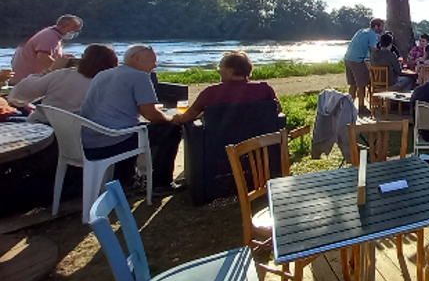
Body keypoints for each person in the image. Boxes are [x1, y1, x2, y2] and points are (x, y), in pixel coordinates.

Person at [80, 45, 181, 192]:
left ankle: (127, 180)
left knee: (132, 128)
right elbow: (151, 114)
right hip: (112, 142)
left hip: (88, 140)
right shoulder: (140, 76)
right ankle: (161, 183)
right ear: (136, 58)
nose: (155, 65)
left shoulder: (102, 74)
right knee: (171, 130)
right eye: (152, 61)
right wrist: (171, 119)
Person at [7, 44, 118, 124]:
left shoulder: (63, 75)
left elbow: (17, 96)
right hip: (83, 137)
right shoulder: (113, 86)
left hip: (45, 131)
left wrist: (50, 71)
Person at [170, 51, 280, 125]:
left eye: (220, 67)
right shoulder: (265, 89)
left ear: (230, 71)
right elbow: (278, 110)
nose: (218, 71)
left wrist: (177, 118)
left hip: (219, 148)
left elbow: (190, 115)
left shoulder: (211, 92)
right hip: (257, 147)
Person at [10, 14, 83, 84]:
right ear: (64, 26)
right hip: (26, 81)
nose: (74, 34)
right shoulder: (50, 36)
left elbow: (46, 53)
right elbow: (43, 58)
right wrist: (63, 67)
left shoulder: (51, 34)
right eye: (73, 31)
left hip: (24, 78)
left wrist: (63, 56)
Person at [344, 18, 384, 117]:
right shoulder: (373, 35)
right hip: (357, 60)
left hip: (348, 58)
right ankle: (361, 107)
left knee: (353, 84)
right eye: (381, 26)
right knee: (362, 84)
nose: (383, 28)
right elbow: (373, 49)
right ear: (376, 26)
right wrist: (383, 56)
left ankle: (349, 107)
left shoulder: (361, 31)